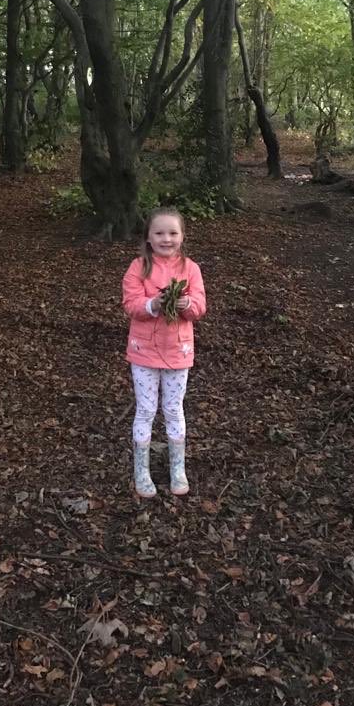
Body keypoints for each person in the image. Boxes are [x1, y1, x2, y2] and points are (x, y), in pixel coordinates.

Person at [122, 207, 207, 497]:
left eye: (172, 233)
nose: (166, 239)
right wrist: (152, 304)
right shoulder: (138, 267)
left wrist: (187, 305)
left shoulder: (190, 269)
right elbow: (131, 303)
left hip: (177, 352)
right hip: (143, 352)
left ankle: (177, 469)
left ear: (182, 236)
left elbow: (200, 306)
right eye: (159, 233)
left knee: (173, 409)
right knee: (146, 409)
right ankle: (141, 470)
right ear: (148, 237)